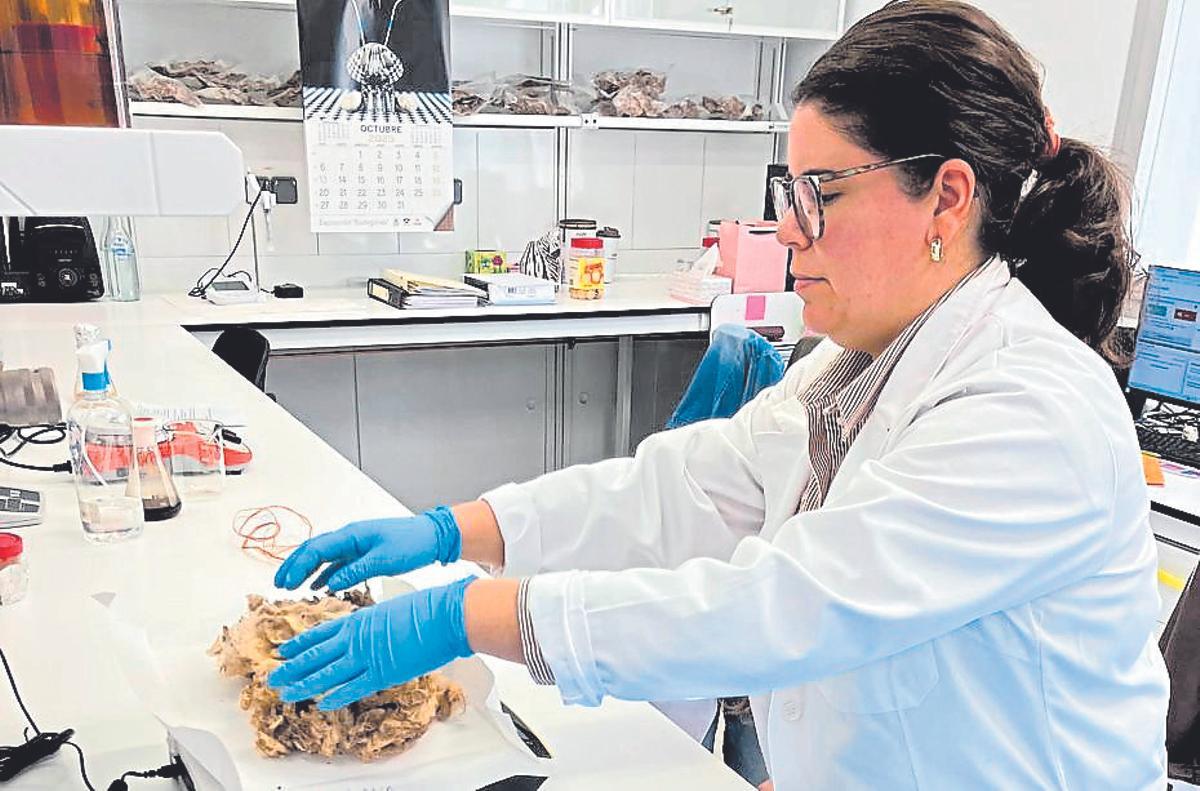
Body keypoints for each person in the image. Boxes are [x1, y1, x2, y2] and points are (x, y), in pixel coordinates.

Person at [267, 2, 1170, 787]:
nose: (786, 227)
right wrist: (457, 528)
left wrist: (466, 613)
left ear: (946, 198)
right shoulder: (857, 360)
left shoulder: (1032, 409)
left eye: (820, 192)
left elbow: (786, 605)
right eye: (790, 188)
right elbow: (686, 485)